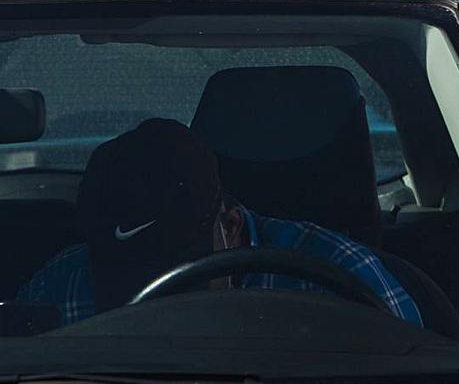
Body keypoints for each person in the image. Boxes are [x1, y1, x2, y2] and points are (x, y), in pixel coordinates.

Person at [18, 119, 422, 327]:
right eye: (124, 274)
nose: (159, 303)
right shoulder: (58, 287)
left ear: (229, 227)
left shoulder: (342, 281)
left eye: (176, 272)